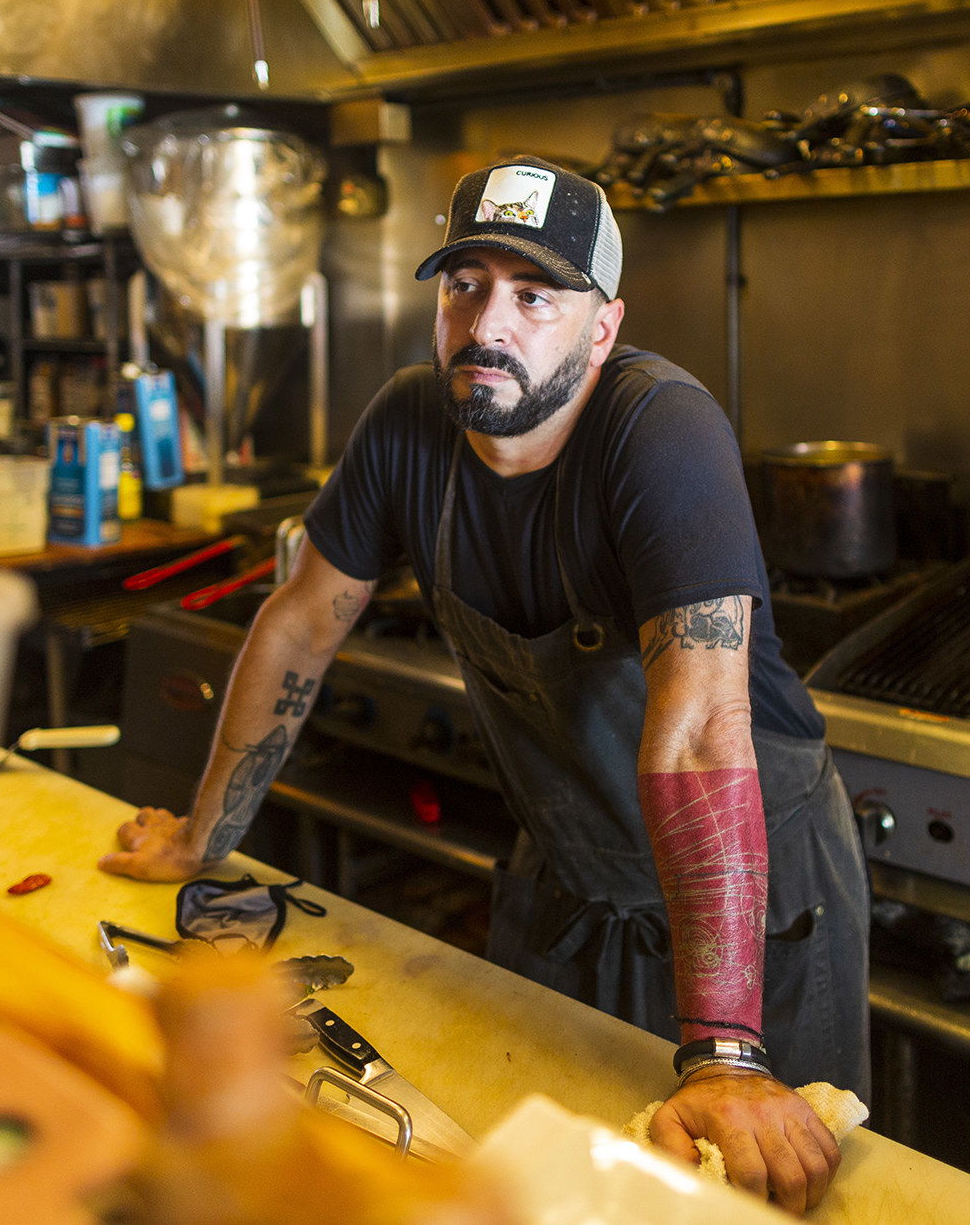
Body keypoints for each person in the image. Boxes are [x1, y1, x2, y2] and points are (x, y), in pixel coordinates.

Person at [102, 156, 870, 1213]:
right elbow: (296, 626)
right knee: (522, 1182)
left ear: (599, 330)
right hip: (568, 880)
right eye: (463, 286)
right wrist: (204, 837)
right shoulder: (407, 424)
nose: (485, 325)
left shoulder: (659, 430)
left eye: (532, 295)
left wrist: (727, 1057)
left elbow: (697, 729)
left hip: (752, 906)